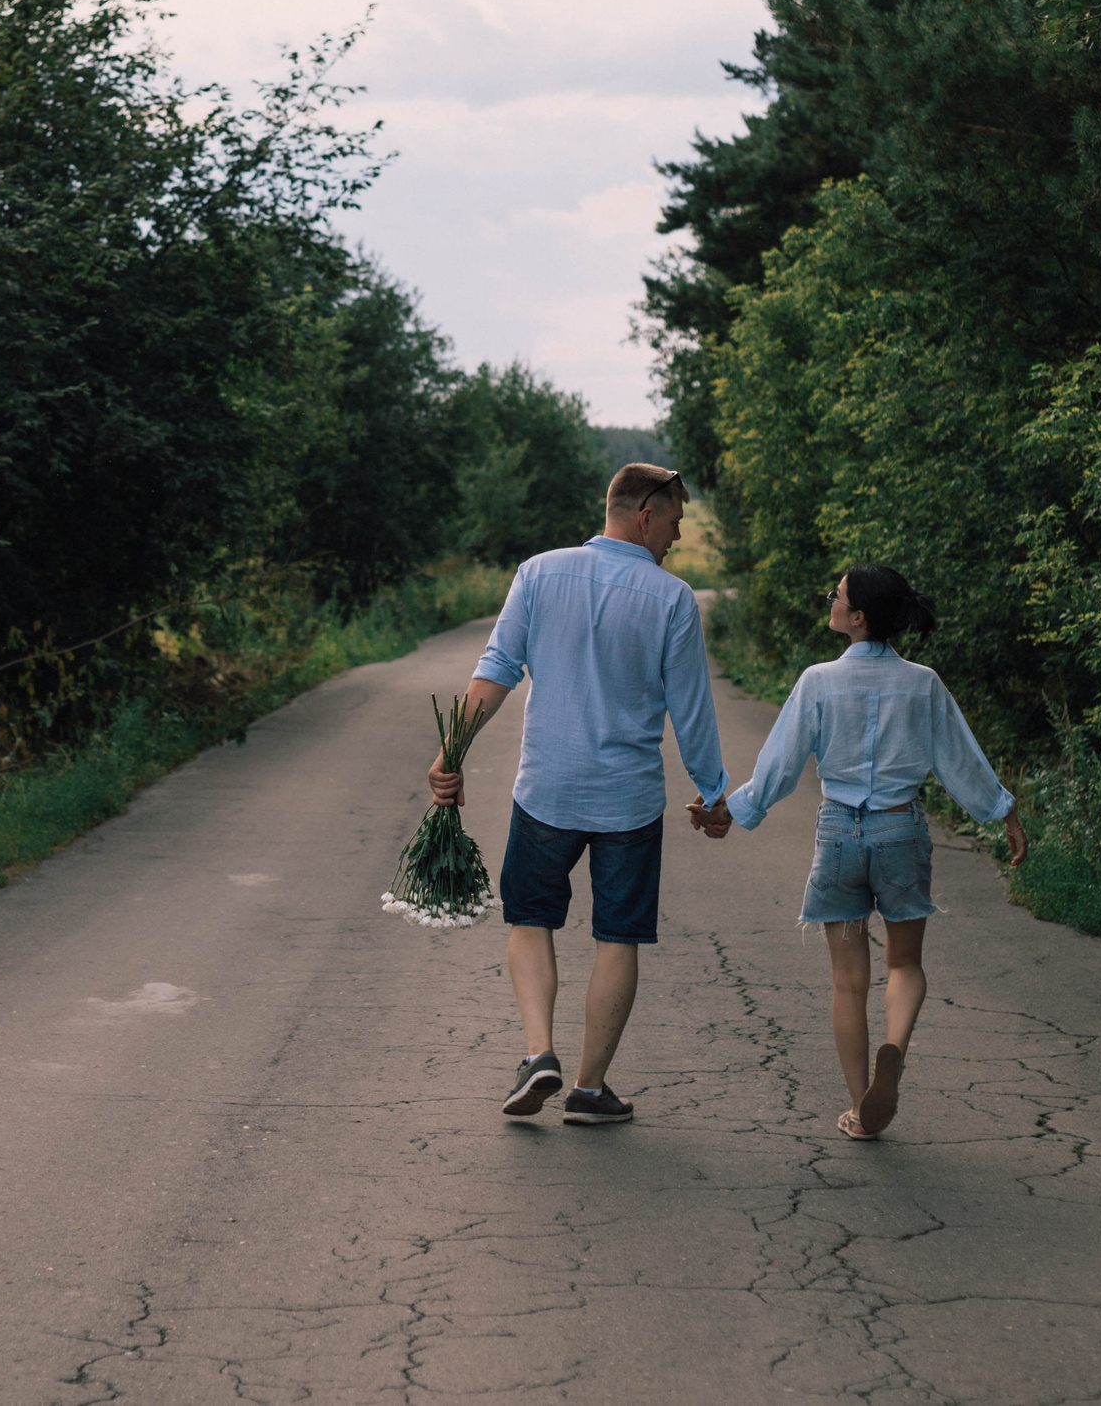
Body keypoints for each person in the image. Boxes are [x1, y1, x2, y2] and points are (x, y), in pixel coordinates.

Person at [426, 463, 734, 1125]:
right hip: (628, 801)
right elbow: (691, 709)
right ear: (645, 516)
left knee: (530, 919)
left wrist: (452, 752)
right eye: (675, 521)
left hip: (547, 790)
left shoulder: (539, 573)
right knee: (617, 936)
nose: (679, 536)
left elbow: (496, 670)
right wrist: (713, 792)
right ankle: (590, 1090)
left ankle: (539, 1052)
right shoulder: (673, 598)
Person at [724, 567, 1029, 1140]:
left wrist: (734, 812)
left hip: (839, 834)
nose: (831, 601)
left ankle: (859, 1108)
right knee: (905, 964)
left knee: (848, 982)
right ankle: (895, 1046)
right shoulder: (923, 683)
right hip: (900, 833)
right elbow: (958, 757)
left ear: (858, 616)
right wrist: (1002, 812)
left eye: (837, 595)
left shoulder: (818, 681)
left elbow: (780, 766)